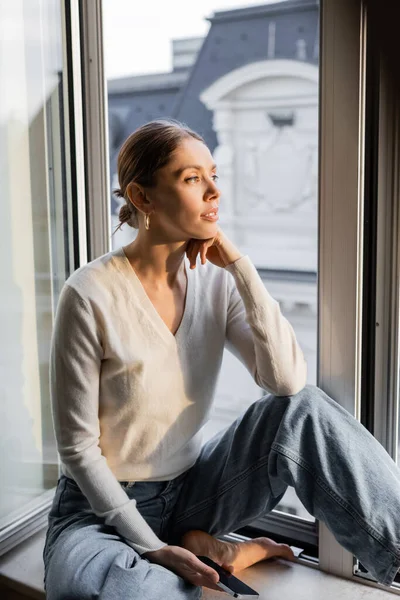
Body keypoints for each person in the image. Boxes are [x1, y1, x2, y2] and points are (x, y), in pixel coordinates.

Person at [43, 119, 400, 600]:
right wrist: (152, 546)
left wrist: (240, 267)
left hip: (191, 493)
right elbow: (78, 452)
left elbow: (286, 383)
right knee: (117, 591)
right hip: (95, 513)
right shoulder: (88, 294)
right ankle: (208, 556)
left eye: (214, 175)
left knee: (303, 411)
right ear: (142, 198)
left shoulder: (217, 282)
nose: (214, 190)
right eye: (192, 179)